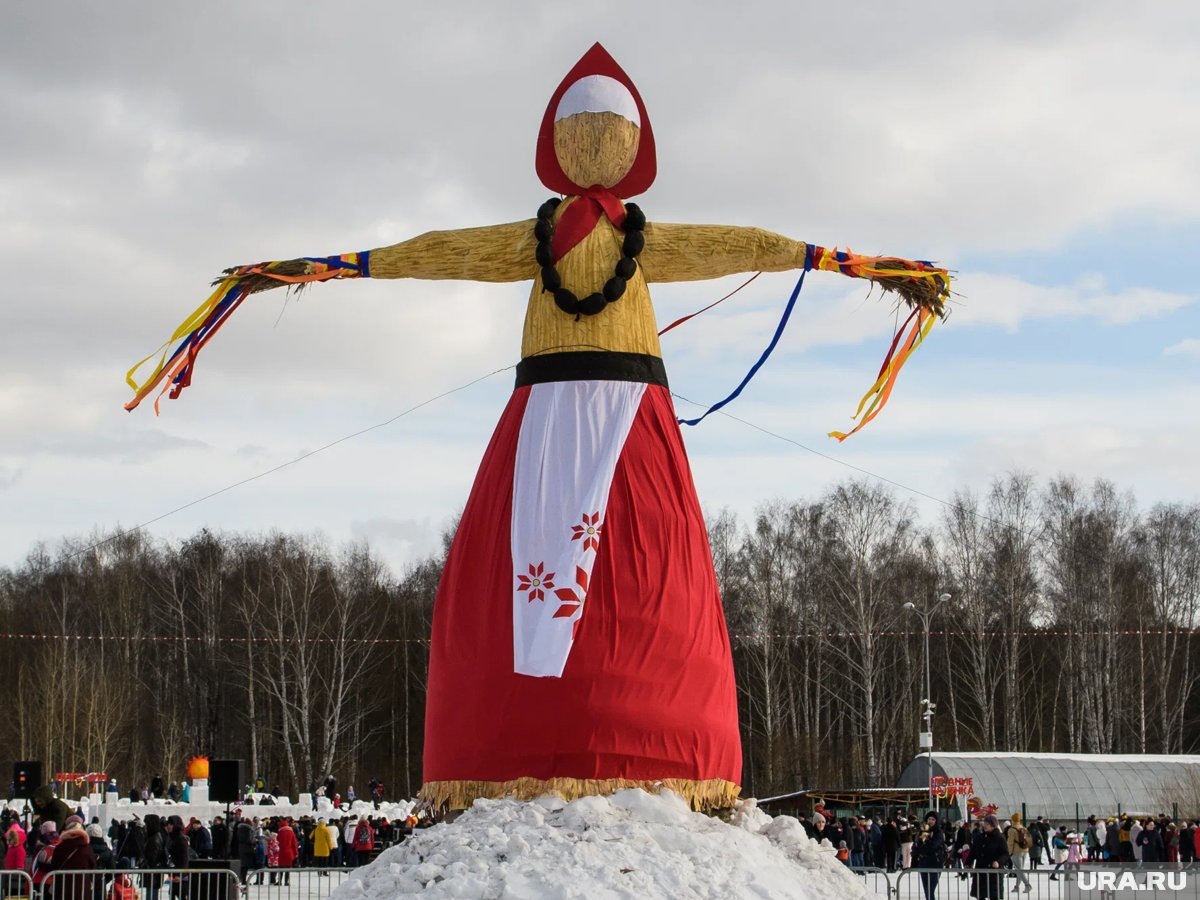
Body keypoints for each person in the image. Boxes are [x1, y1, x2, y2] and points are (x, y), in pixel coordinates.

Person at [47, 818, 98, 900]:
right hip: (82, 888)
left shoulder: (60, 848)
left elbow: (54, 866)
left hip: (62, 888)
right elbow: (93, 867)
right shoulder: (87, 848)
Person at [969, 815, 1010, 900]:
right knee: (980, 895)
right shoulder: (979, 838)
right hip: (980, 872)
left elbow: (1005, 854)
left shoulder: (999, 838)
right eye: (984, 823)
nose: (984, 825)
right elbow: (973, 852)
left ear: (993, 825)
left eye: (987, 823)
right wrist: (967, 863)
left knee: (994, 896)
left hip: (994, 874)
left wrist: (998, 862)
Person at [911, 812, 946, 900]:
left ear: (936, 821)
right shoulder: (922, 831)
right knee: (927, 891)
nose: (930, 821)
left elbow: (933, 846)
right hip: (923, 863)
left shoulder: (938, 832)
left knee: (930, 890)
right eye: (929, 819)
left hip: (935, 863)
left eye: (933, 819)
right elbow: (916, 845)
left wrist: (922, 846)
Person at [276, 820, 297, 885]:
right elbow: (294, 843)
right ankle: (286, 881)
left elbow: (277, 842)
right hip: (289, 852)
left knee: (280, 868)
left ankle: (279, 881)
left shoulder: (279, 833)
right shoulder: (291, 832)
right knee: (288, 868)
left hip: (281, 852)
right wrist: (296, 853)